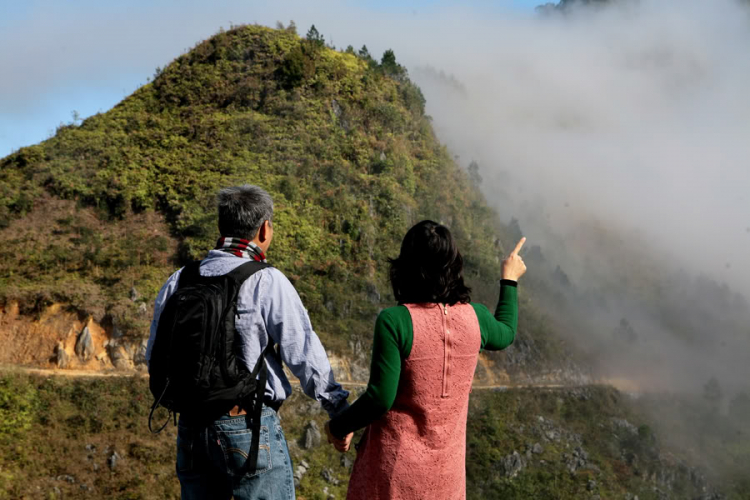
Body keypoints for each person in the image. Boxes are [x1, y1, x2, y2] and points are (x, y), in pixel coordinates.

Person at [146, 184, 351, 500]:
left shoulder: (179, 279)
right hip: (248, 426)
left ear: (220, 226)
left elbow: (155, 355)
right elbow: (304, 351)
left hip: (190, 427)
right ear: (265, 228)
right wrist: (338, 410)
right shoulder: (266, 280)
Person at [325, 220, 526, 500]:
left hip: (393, 473)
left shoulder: (396, 321)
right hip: (446, 478)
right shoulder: (475, 317)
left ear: (404, 267)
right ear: (454, 265)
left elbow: (380, 398)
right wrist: (509, 279)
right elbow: (506, 332)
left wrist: (338, 426)